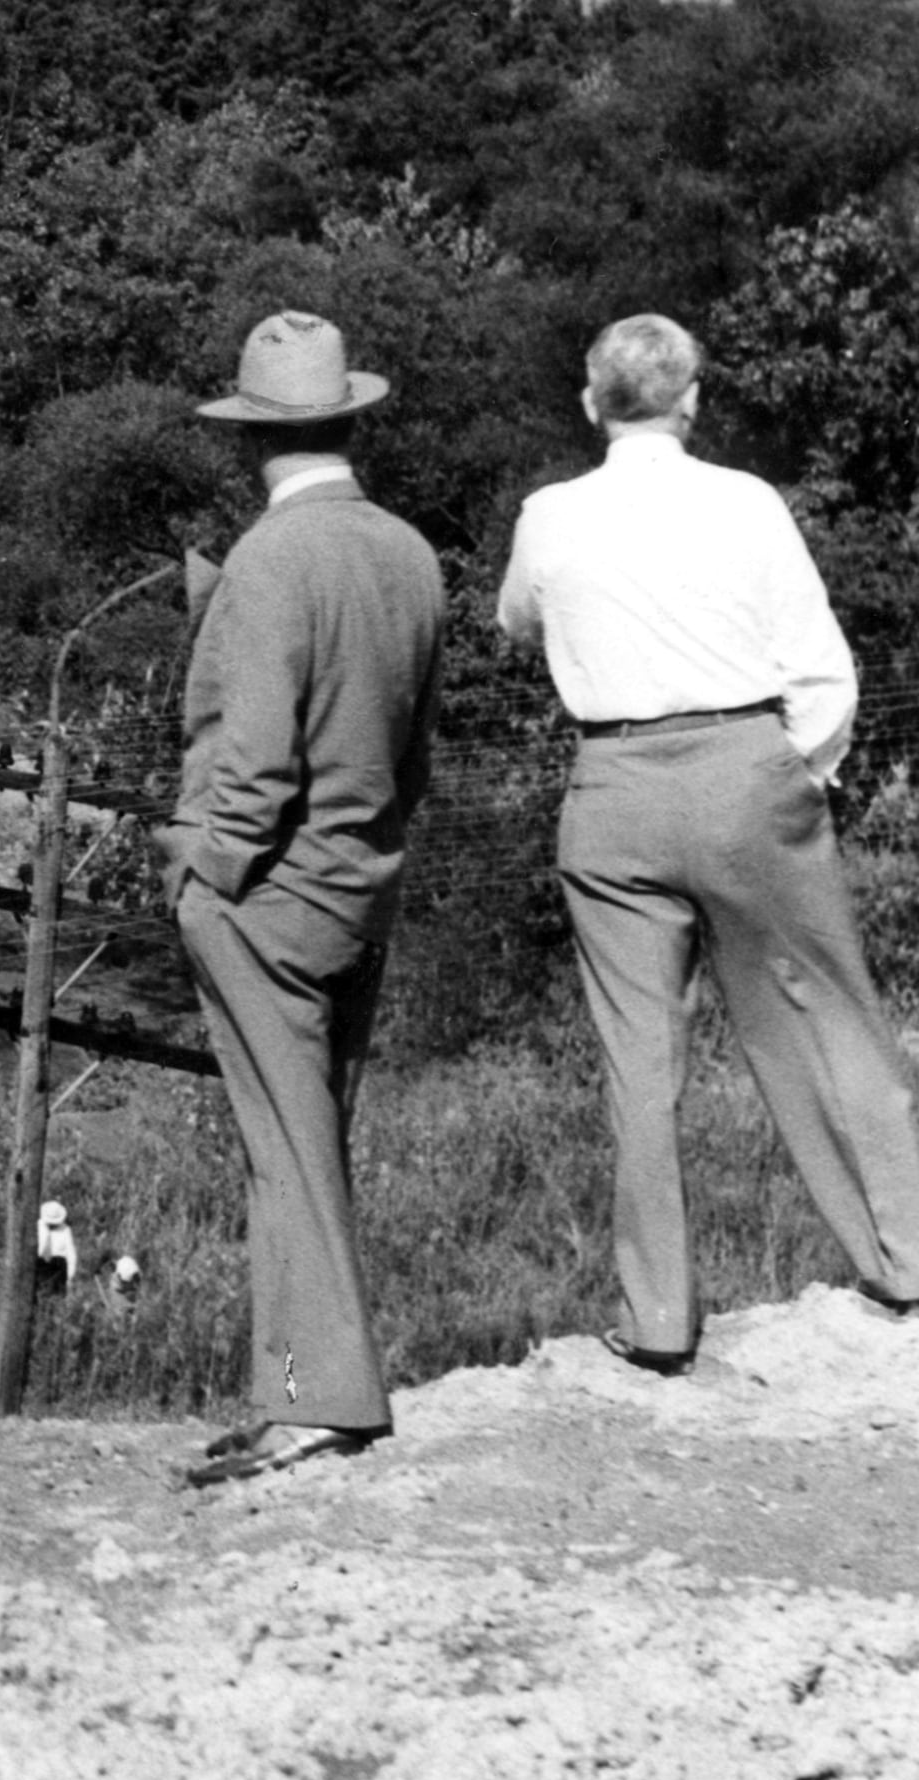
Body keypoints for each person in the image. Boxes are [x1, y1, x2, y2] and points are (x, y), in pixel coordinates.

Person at [495, 313, 919, 1369]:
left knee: (638, 1060)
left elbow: (517, 623)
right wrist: (796, 776)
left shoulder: (549, 514)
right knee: (830, 1022)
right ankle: (906, 1257)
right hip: (744, 770)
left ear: (591, 404)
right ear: (693, 401)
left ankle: (656, 1320)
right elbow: (822, 670)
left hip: (613, 783)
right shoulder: (747, 502)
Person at [162, 313, 448, 1487]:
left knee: (282, 1147)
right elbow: (418, 750)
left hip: (267, 895)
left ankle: (321, 1394)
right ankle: (287, 1392)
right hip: (360, 887)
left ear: (251, 440)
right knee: (301, 1143)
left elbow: (259, 762)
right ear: (346, 419)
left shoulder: (271, 562)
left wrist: (204, 869)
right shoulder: (410, 553)